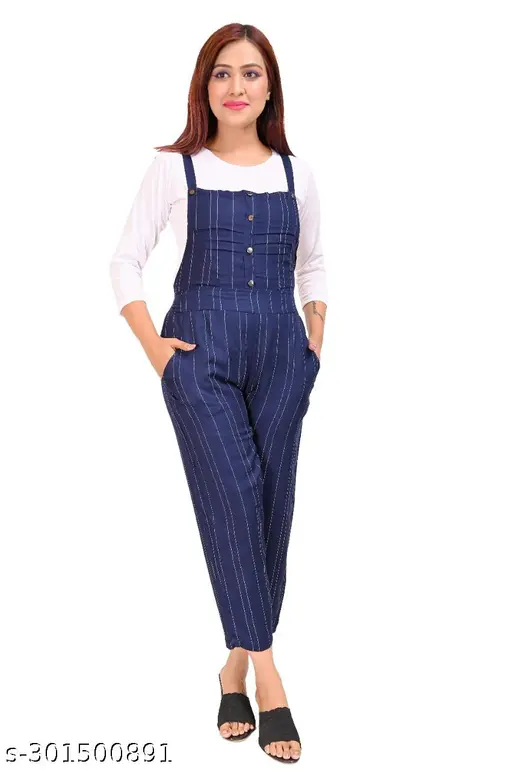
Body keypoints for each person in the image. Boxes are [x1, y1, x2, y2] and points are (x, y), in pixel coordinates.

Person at [110, 22, 328, 764]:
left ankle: (231, 666)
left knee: (271, 505)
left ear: (271, 88)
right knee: (232, 496)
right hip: (198, 353)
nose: (237, 86)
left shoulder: (297, 174)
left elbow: (314, 263)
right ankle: (269, 677)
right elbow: (124, 262)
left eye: (251, 73)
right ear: (204, 86)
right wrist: (155, 350)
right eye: (222, 73)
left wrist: (316, 331)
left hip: (283, 353)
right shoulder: (175, 169)